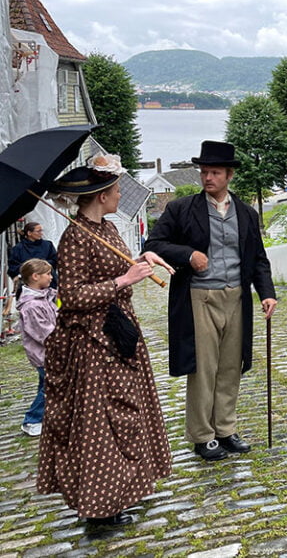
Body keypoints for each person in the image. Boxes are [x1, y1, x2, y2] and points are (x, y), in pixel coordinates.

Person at [37, 154, 174, 527]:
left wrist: (143, 258)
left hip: (119, 334)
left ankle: (122, 492)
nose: (117, 196)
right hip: (92, 343)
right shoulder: (75, 236)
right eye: (114, 191)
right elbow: (72, 296)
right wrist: (123, 282)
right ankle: (100, 510)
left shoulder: (109, 229)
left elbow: (121, 264)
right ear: (100, 196)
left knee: (127, 416)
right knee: (101, 426)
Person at [143, 141, 277, 462]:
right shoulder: (181, 209)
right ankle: (202, 436)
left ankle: (226, 430)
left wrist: (268, 293)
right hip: (198, 298)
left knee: (231, 367)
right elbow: (155, 244)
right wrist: (188, 254)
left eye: (214, 172)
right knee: (204, 368)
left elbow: (258, 259)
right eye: (204, 172)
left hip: (237, 298)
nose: (207, 177)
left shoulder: (246, 213)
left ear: (229, 175)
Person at [17, 258, 57, 437]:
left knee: (45, 385)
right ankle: (32, 420)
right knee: (50, 388)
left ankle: (43, 416)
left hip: (49, 353)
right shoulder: (32, 306)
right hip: (43, 354)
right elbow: (43, 333)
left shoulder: (46, 295)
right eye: (47, 274)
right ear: (35, 276)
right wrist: (63, 337)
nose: (51, 277)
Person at [8, 221, 58, 288]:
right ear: (29, 233)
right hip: (27, 284)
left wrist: (42, 266)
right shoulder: (18, 248)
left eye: (41, 231)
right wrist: (31, 268)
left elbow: (55, 260)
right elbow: (13, 267)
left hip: (48, 283)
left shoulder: (48, 245)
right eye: (38, 231)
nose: (41, 233)